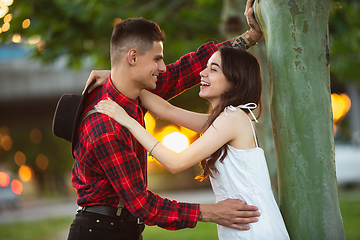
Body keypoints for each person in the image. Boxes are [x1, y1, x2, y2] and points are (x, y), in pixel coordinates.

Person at [68, 1, 263, 239]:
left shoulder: (135, 92)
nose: (163, 68)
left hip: (122, 227)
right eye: (157, 59)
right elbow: (144, 205)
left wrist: (250, 36)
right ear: (132, 57)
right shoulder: (106, 126)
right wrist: (211, 212)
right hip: (100, 231)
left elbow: (186, 69)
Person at [96, 46, 290, 240]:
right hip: (242, 226)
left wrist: (128, 121)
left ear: (234, 80)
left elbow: (175, 163)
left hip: (255, 229)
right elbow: (166, 110)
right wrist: (117, 78)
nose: (202, 73)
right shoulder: (223, 120)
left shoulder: (233, 118)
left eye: (213, 69)